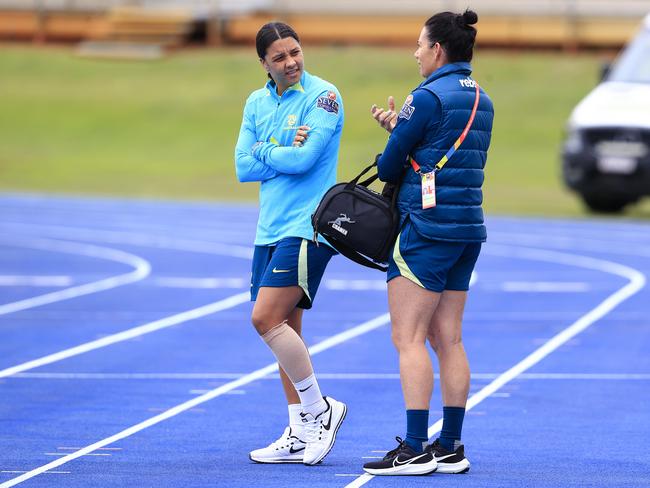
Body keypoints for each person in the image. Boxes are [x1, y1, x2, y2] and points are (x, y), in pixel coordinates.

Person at [362, 10, 494, 476]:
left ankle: (415, 446)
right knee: (449, 337)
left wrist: (396, 135)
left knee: (409, 338)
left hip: (426, 227)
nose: (415, 52)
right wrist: (404, 130)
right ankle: (451, 445)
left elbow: (390, 166)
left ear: (438, 49)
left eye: (420, 44)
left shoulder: (426, 97)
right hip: (467, 230)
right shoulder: (483, 98)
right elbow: (444, 151)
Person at [234, 22, 346, 466]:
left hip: (308, 227)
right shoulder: (256, 102)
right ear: (263, 63)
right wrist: (275, 145)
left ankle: (321, 409)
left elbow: (303, 161)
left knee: (264, 319)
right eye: (279, 57)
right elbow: (241, 167)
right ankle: (300, 430)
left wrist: (264, 150)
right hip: (269, 229)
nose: (291, 62)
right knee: (286, 334)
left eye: (295, 52)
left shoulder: (324, 96)